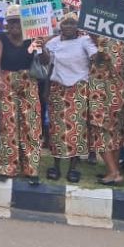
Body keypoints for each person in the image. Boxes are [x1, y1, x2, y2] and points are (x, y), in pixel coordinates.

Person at [41, 14, 99, 182]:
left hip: (78, 89)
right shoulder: (53, 42)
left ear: (78, 26)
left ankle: (73, 168)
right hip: (58, 89)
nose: (68, 26)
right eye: (65, 23)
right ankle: (56, 166)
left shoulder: (85, 41)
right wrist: (41, 46)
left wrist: (97, 41)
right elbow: (47, 63)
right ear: (60, 26)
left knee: (77, 129)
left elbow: (96, 58)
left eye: (72, 23)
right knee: (57, 129)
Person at [0, 5, 42, 184]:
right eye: (11, 21)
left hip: (29, 82)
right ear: (6, 23)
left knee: (31, 124)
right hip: (6, 81)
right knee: (8, 124)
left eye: (18, 21)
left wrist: (42, 47)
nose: (14, 25)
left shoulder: (32, 39)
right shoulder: (0, 39)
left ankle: (31, 169)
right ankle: (8, 167)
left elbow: (44, 60)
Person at [87, 36, 124, 186]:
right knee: (115, 135)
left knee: (100, 134)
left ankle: (113, 173)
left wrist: (100, 50)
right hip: (122, 95)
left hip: (104, 95)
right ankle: (114, 169)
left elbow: (102, 64)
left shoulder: (105, 42)